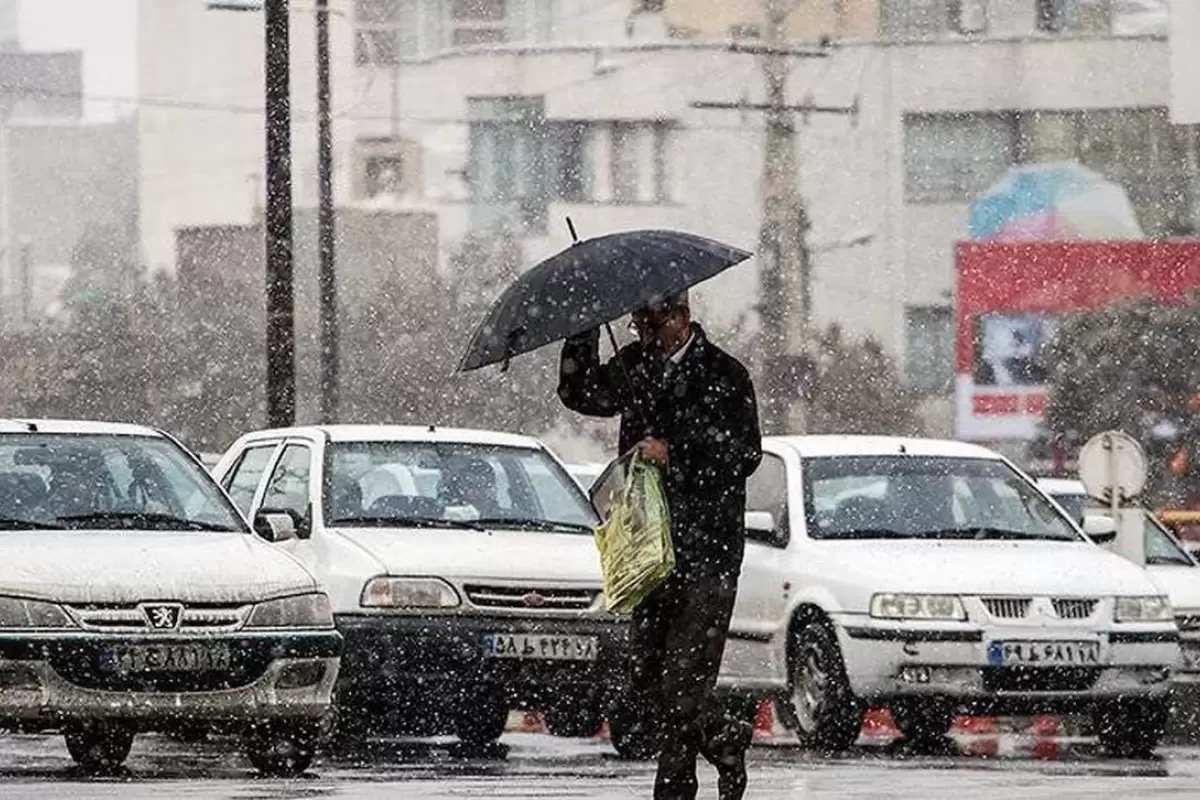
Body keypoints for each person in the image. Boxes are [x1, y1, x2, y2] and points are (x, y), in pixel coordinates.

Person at [557, 290, 762, 800]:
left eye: (650, 324)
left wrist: (679, 453)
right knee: (647, 674)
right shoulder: (637, 367)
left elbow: (745, 453)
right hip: (649, 547)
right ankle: (723, 735)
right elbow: (581, 392)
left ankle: (673, 787)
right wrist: (585, 326)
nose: (643, 335)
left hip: (708, 550)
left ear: (680, 316)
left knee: (684, 677)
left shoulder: (725, 374)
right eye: (635, 327)